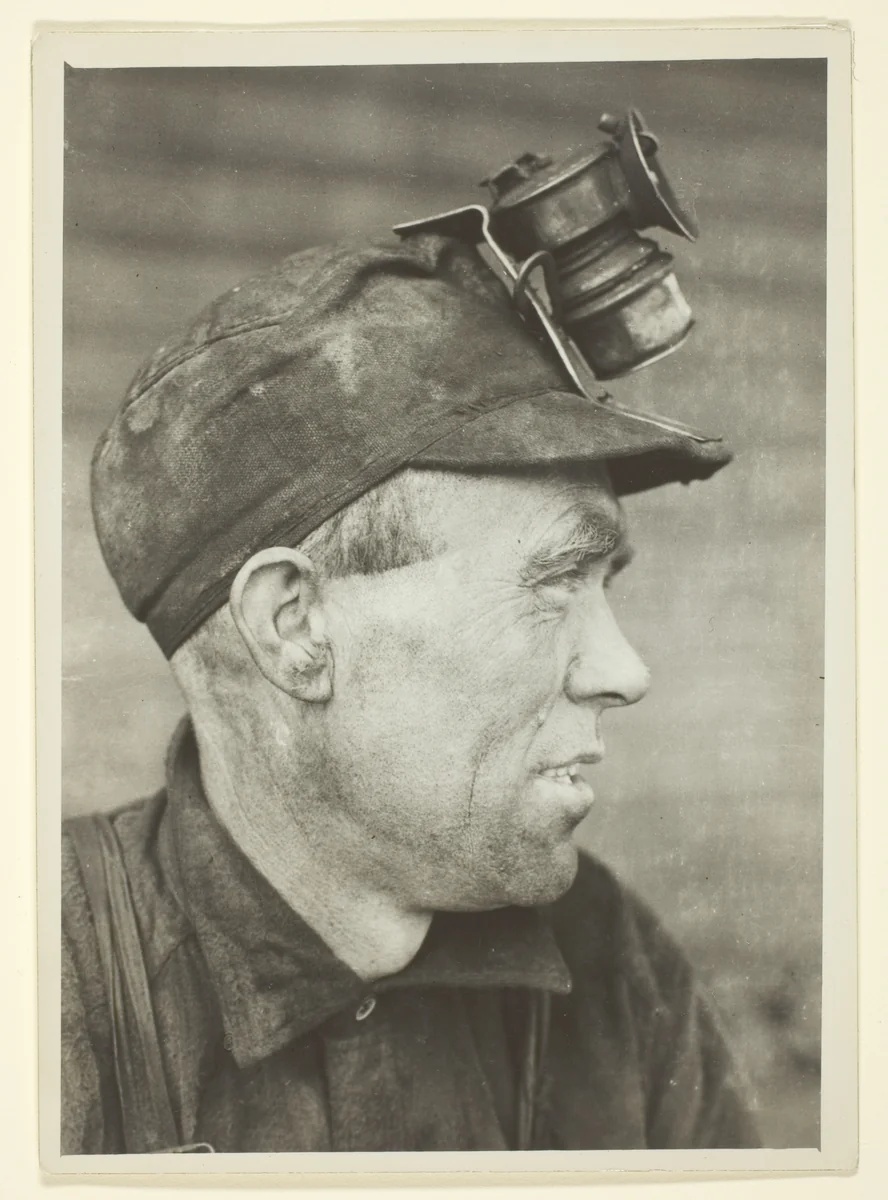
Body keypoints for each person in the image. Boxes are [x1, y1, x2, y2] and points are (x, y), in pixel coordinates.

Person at [61, 233, 760, 1154]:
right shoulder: (44, 980)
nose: (625, 671)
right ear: (295, 628)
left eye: (606, 583)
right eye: (553, 581)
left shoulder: (614, 965)